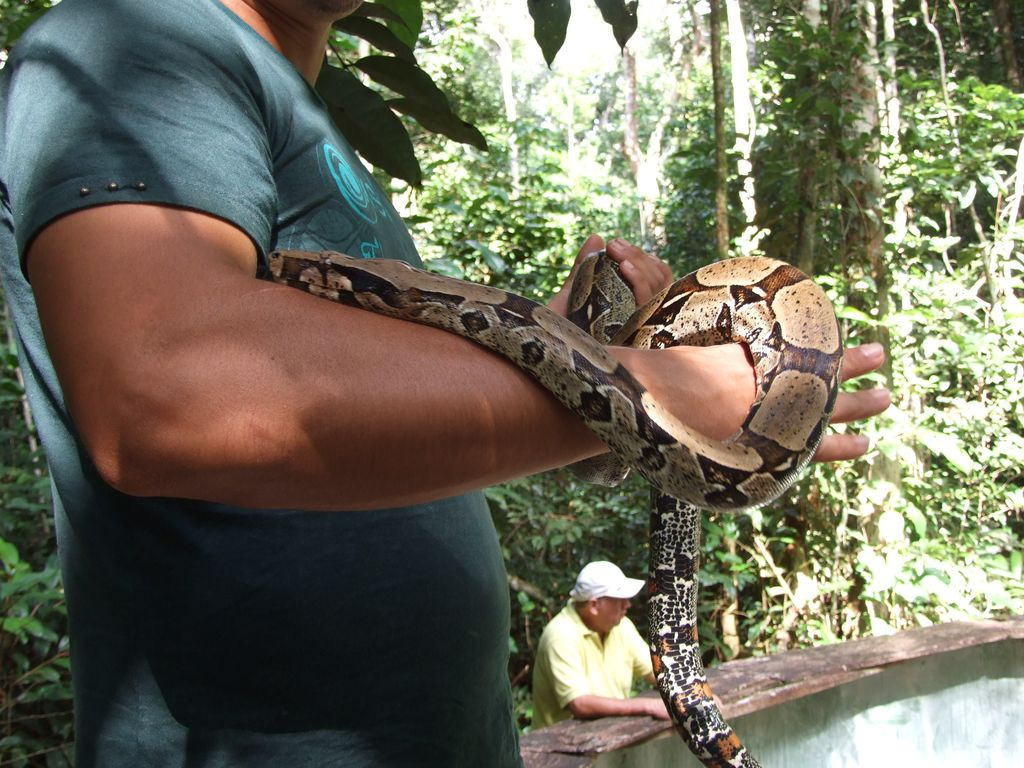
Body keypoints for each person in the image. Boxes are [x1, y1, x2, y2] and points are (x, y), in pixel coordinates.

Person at [0, 0, 891, 766]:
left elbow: (378, 413)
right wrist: (673, 390)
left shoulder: (296, 117)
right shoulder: (131, 38)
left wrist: (580, 354)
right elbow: (170, 393)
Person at [532, 561, 670, 727]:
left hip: (609, 736)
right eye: (620, 599)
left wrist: (695, 695)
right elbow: (580, 704)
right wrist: (647, 706)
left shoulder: (621, 626)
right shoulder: (560, 635)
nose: (627, 605)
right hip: (559, 746)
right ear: (594, 605)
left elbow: (658, 673)